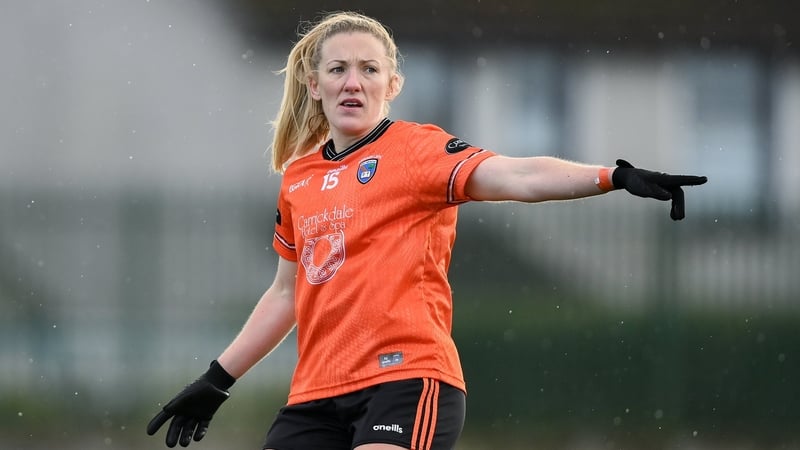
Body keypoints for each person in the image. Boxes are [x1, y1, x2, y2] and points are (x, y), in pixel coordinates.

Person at [146, 11, 707, 450]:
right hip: (316, 394)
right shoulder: (300, 178)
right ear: (313, 84)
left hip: (407, 382)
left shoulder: (418, 150)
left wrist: (612, 175)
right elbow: (286, 293)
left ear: (392, 84)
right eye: (338, 68)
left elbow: (518, 174)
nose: (353, 81)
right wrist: (218, 378)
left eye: (369, 69)